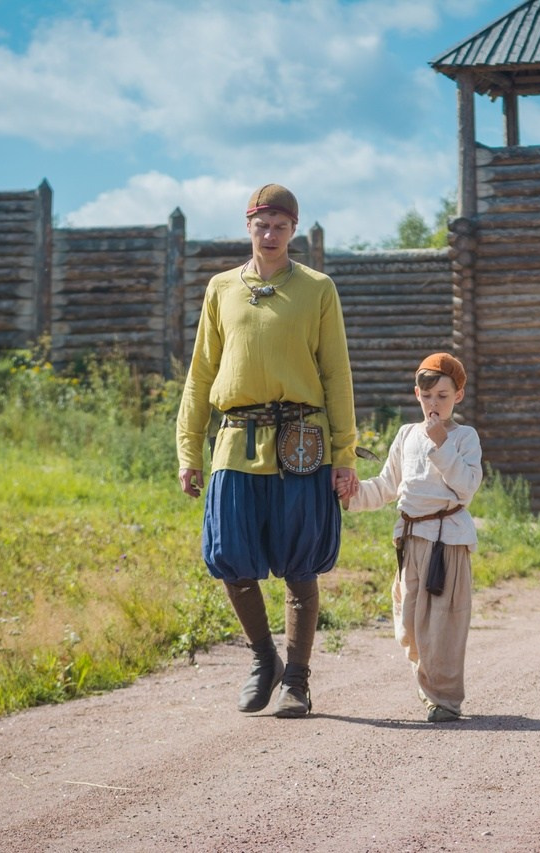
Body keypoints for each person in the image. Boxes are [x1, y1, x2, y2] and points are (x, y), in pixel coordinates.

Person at [176, 184, 359, 719]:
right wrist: (189, 450)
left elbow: (336, 375)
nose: (270, 233)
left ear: (293, 229)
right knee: (231, 558)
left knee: (300, 564)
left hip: (301, 442)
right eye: (262, 224)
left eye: (280, 225)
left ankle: (297, 681)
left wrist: (344, 456)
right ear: (248, 225)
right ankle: (264, 659)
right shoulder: (220, 288)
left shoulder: (318, 289)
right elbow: (200, 374)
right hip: (235, 441)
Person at [343, 353, 482, 723]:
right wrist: (349, 495)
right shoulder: (406, 435)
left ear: (459, 396)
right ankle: (430, 684)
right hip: (411, 539)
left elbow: (467, 488)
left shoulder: (465, 438)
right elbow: (389, 485)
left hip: (447, 540)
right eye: (427, 396)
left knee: (444, 623)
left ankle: (445, 700)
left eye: (442, 395)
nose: (434, 404)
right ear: (416, 394)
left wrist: (442, 445)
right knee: (409, 627)